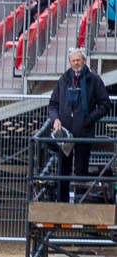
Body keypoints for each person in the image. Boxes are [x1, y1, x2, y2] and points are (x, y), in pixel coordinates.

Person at [46, 48, 110, 200]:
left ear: (84, 61)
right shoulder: (63, 80)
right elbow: (53, 104)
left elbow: (105, 104)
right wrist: (55, 119)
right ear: (70, 62)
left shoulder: (94, 79)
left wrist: (88, 119)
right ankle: (62, 203)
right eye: (73, 60)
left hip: (84, 133)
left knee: (81, 170)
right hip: (65, 134)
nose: (76, 63)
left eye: (79, 60)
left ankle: (81, 203)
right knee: (63, 171)